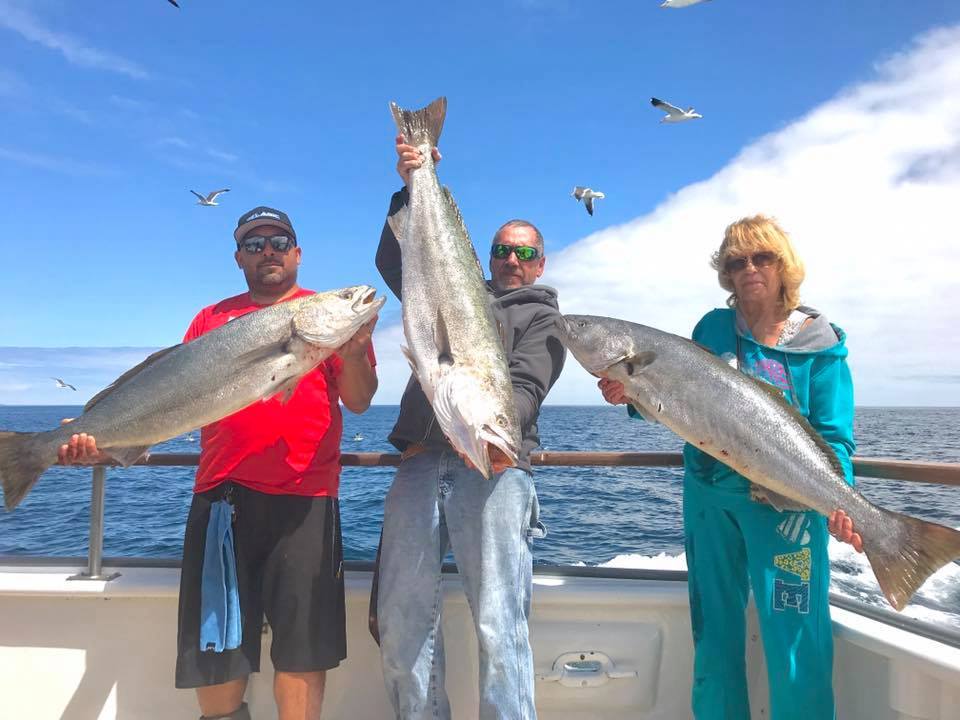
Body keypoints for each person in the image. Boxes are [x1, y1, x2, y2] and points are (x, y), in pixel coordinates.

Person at [58, 205, 378, 720]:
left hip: (307, 500)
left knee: (302, 650)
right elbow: (169, 395)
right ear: (238, 259)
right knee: (218, 649)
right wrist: (105, 437)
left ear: (297, 253)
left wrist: (358, 349)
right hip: (221, 498)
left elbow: (360, 402)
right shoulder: (211, 319)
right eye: (254, 244)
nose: (267, 251)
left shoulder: (332, 328)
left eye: (278, 241)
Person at [599, 214, 861, 720]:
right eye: (736, 261)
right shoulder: (713, 328)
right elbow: (680, 398)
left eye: (762, 257)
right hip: (709, 502)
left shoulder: (821, 346)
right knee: (714, 635)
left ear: (784, 265)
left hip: (786, 513)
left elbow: (834, 436)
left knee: (795, 643)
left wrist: (841, 502)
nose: (749, 269)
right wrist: (630, 395)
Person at [373, 135, 566, 719]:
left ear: (541, 262)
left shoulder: (547, 320)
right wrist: (413, 185)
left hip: (496, 468)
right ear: (488, 256)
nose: (512, 261)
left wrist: (493, 433)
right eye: (502, 251)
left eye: (525, 254)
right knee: (402, 621)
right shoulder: (454, 289)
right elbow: (393, 262)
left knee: (499, 624)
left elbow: (526, 391)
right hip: (418, 466)